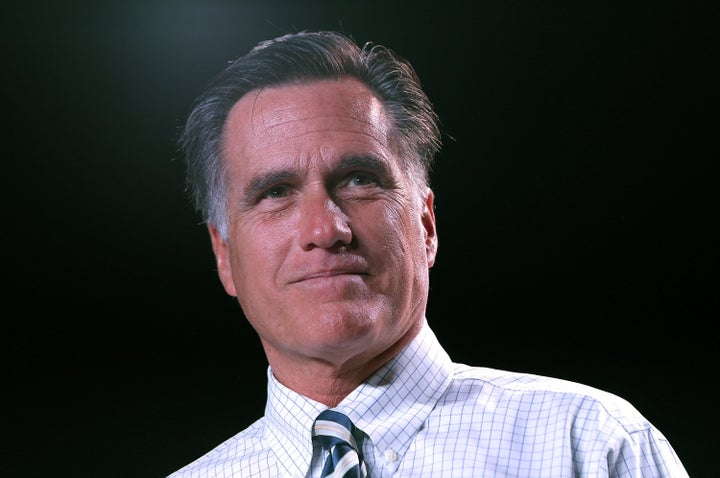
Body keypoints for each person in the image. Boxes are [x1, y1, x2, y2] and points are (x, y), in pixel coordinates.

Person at [168, 30, 688, 477]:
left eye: (359, 179)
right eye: (276, 193)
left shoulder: (590, 447)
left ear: (426, 223)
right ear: (223, 254)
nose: (326, 229)